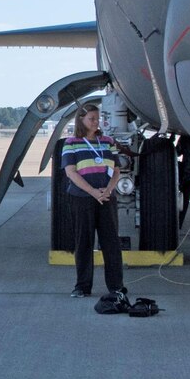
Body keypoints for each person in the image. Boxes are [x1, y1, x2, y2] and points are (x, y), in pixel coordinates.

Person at [61, 102, 125, 302]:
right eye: (92, 119)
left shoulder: (107, 141)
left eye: (98, 119)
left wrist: (108, 190)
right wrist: (92, 192)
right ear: (81, 119)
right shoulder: (71, 143)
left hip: (106, 198)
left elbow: (116, 169)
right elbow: (71, 172)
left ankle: (116, 286)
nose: (96, 122)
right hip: (82, 199)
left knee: (111, 243)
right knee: (84, 242)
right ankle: (82, 286)